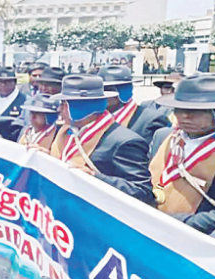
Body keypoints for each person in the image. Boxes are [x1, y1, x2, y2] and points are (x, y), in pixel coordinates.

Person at [148, 74, 215, 246]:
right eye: (179, 109)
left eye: (195, 111)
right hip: (149, 232)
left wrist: (163, 220)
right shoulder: (164, 136)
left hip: (193, 242)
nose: (184, 117)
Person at [49, 75, 154, 205]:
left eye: (65, 104)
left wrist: (95, 178)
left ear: (82, 107)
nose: (59, 109)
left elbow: (143, 193)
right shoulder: (67, 132)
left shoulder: (124, 142)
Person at [98, 65, 169, 144]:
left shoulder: (151, 120)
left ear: (124, 91)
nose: (103, 94)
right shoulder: (96, 117)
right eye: (100, 89)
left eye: (108, 90)